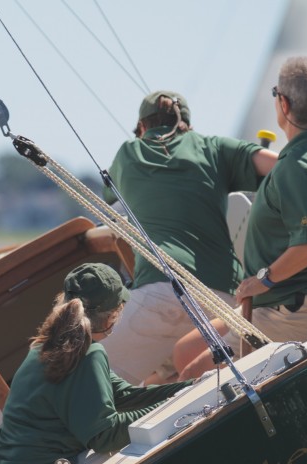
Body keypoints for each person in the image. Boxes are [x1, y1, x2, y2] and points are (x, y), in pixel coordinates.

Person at [173, 56, 307, 380]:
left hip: (297, 305)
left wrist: (263, 279)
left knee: (191, 376)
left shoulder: (299, 166)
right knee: (184, 352)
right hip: (291, 298)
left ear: (284, 104)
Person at [100, 90, 278, 386]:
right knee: (167, 374)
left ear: (142, 127)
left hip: (159, 293)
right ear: (188, 125)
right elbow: (281, 166)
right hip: (221, 296)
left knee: (92, 380)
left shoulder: (128, 154)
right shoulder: (214, 147)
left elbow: (110, 195)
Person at [0, 263, 193, 464]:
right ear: (112, 314)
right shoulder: (89, 354)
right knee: (146, 445)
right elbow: (105, 437)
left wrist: (189, 389)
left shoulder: (42, 347)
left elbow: (123, 395)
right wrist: (175, 406)